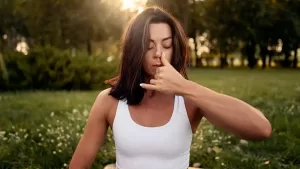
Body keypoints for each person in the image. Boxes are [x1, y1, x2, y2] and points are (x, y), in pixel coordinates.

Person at [69, 6, 272, 169]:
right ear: (134, 51)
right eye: (149, 46)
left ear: (175, 48)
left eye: (166, 45)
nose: (159, 54)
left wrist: (186, 87)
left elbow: (261, 129)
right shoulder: (109, 101)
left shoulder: (189, 100)